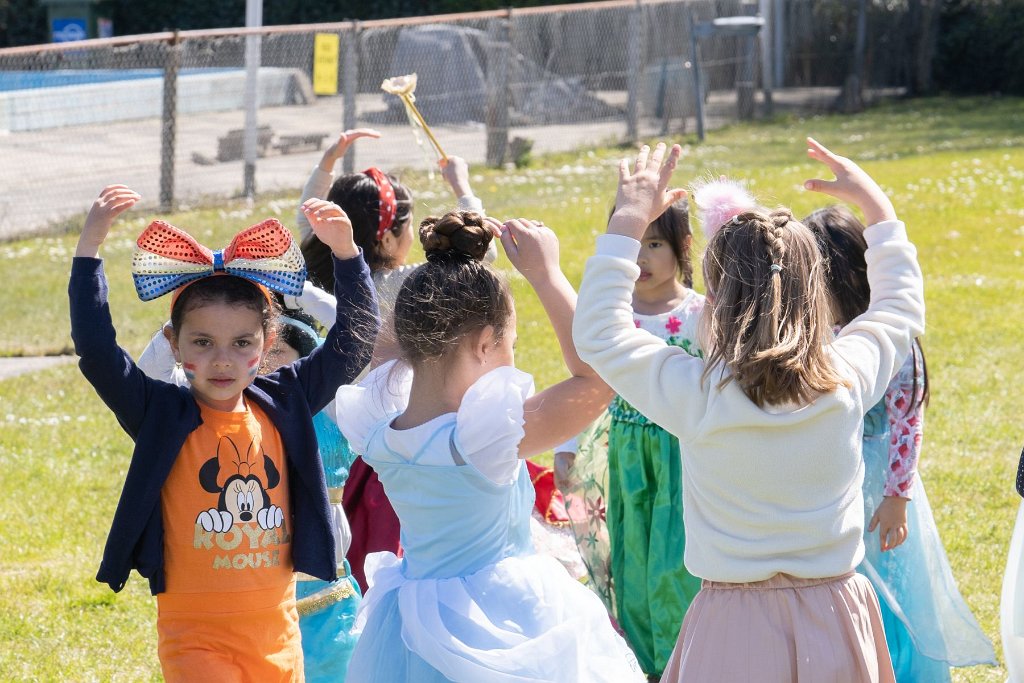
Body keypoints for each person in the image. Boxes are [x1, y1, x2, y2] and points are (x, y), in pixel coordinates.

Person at [574, 139, 924, 681]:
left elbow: (599, 332)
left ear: (712, 302)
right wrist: (877, 208)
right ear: (817, 298)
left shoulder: (697, 395)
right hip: (836, 612)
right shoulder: (847, 379)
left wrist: (626, 220)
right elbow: (899, 305)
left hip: (732, 622)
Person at [69, 185, 378, 681]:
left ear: (268, 341)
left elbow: (353, 343)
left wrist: (346, 255)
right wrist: (89, 252)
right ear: (173, 343)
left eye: (241, 343)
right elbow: (97, 351)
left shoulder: (287, 400)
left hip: (278, 635)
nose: (222, 359)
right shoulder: (159, 412)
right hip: (195, 640)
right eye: (203, 341)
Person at [335, 210, 644, 681]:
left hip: (410, 621)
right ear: (485, 344)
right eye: (510, 343)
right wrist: (547, 274)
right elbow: (598, 378)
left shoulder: (378, 429)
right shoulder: (482, 440)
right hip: (502, 622)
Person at [806, 204, 996, 681]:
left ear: (847, 273)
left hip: (879, 483)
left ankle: (895, 666)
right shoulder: (813, 333)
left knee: (889, 584)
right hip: (833, 480)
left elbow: (907, 423)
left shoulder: (887, 337)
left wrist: (896, 497)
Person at [296, 129, 488, 591]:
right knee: (384, 540)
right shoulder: (407, 285)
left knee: (339, 533)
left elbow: (307, 217)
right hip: (390, 433)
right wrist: (462, 188)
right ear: (389, 233)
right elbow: (481, 251)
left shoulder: (320, 271)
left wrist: (327, 164)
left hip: (328, 429)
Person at [137, 303, 366, 683]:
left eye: (277, 354)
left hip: (328, 604)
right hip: (255, 600)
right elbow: (151, 375)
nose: (265, 366)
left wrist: (312, 294)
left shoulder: (332, 412)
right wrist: (187, 320)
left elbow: (358, 349)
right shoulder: (212, 412)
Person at [557, 198, 704, 678]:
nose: (641, 258)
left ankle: (686, 657)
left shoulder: (701, 313)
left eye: (655, 244)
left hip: (682, 456)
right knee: (632, 558)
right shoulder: (612, 316)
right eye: (633, 244)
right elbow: (591, 382)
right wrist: (566, 445)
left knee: (675, 559)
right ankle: (644, 662)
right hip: (624, 452)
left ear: (682, 247)